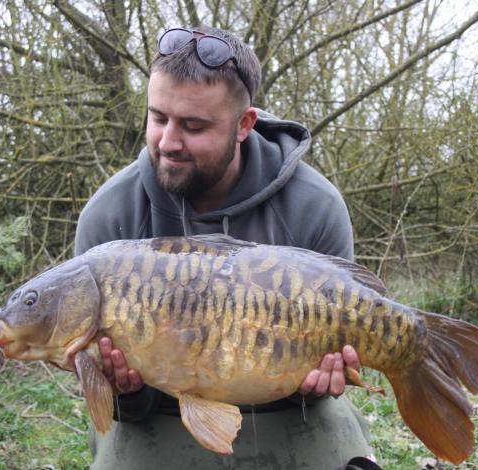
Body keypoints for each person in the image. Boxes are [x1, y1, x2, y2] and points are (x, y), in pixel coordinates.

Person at [74, 26, 379, 470]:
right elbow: (118, 409)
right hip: (157, 418)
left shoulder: (314, 206)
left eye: (193, 126)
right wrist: (127, 391)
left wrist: (317, 381)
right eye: (158, 118)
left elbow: (326, 374)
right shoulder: (109, 216)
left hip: (289, 412)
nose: (168, 142)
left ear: (243, 125)